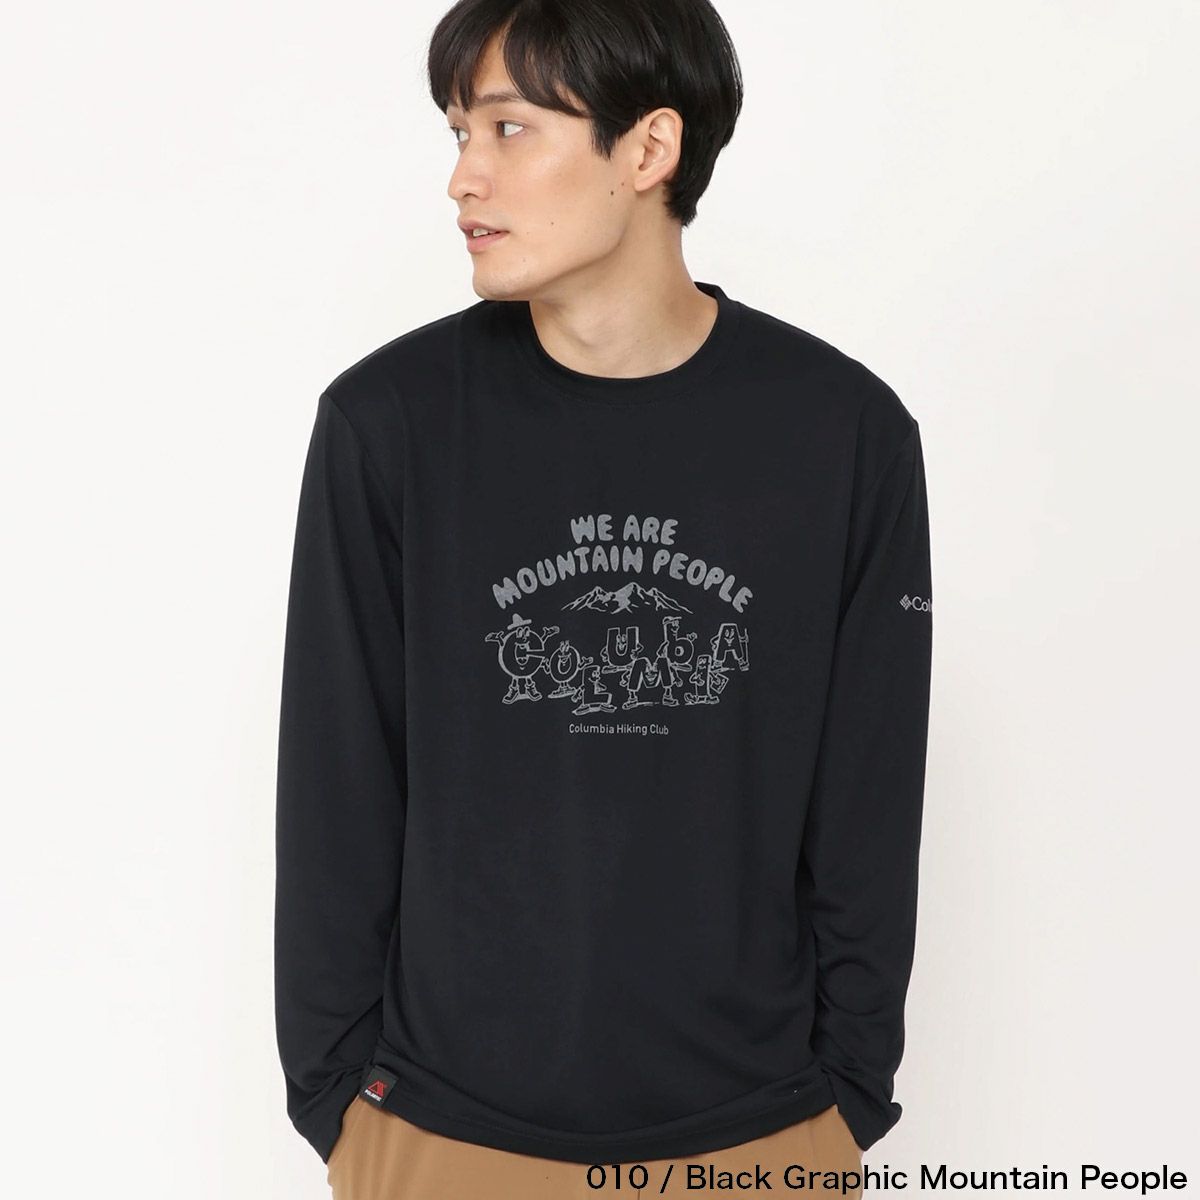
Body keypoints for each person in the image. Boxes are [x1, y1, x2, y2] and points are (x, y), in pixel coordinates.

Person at [273, 0, 934, 1196]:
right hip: (440, 1138)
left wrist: (845, 1098)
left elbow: (869, 804)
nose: (462, 178)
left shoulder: (844, 434)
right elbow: (338, 782)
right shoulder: (388, 424)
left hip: (761, 1139)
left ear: (648, 149)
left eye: (509, 128)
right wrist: (340, 1105)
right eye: (457, 132)